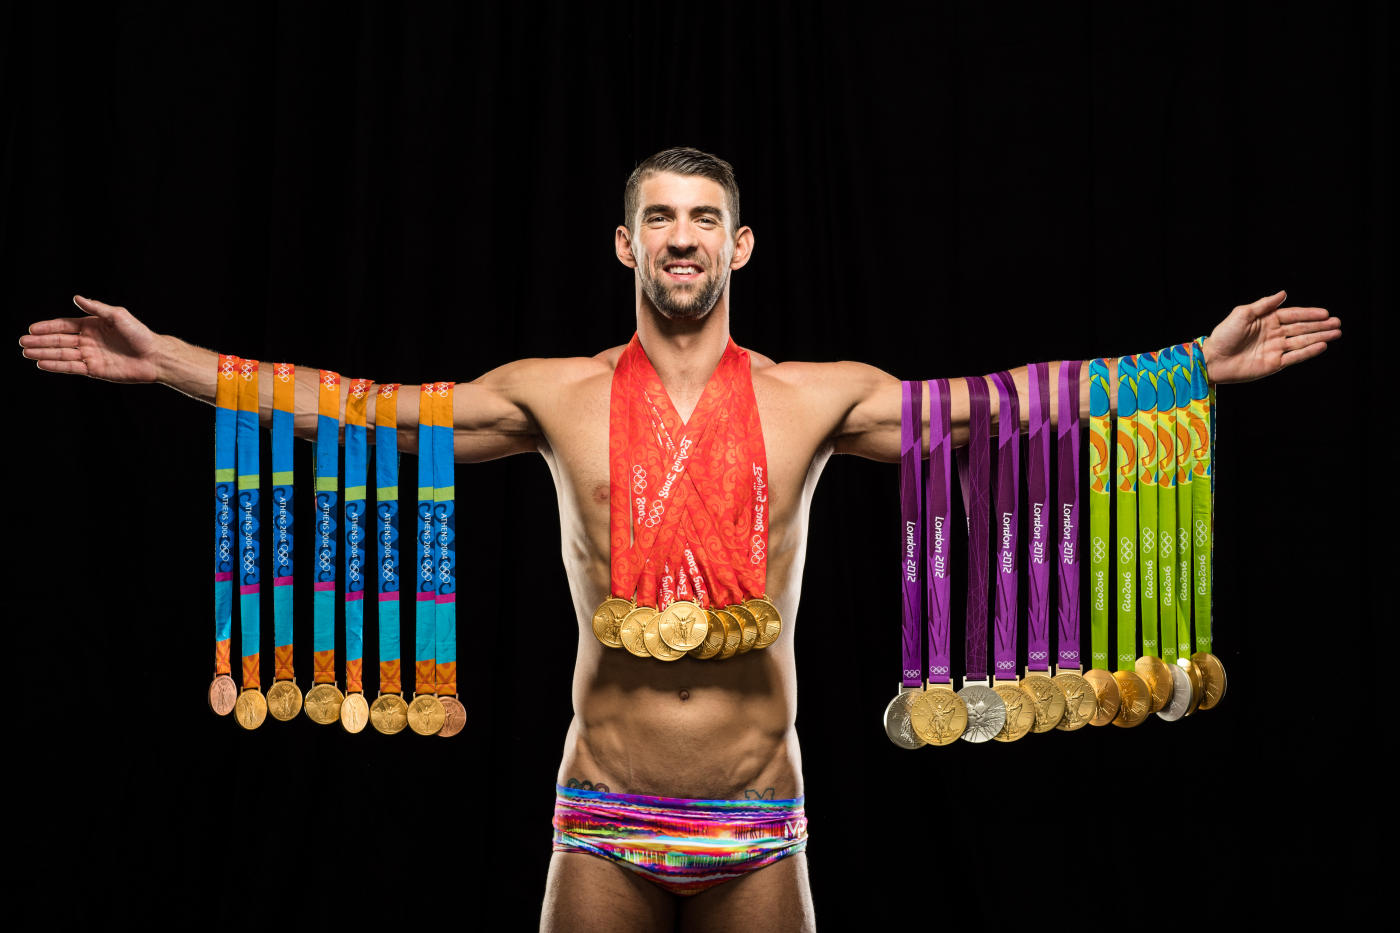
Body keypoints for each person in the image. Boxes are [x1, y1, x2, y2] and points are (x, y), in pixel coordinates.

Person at [19, 147, 1342, 932]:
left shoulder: (815, 393)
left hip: (761, 810)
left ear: (742, 243)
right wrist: (173, 363)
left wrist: (1190, 368)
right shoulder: (557, 390)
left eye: (704, 217)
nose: (683, 236)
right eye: (660, 216)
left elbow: (995, 414)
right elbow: (367, 416)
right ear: (625, 244)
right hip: (600, 812)